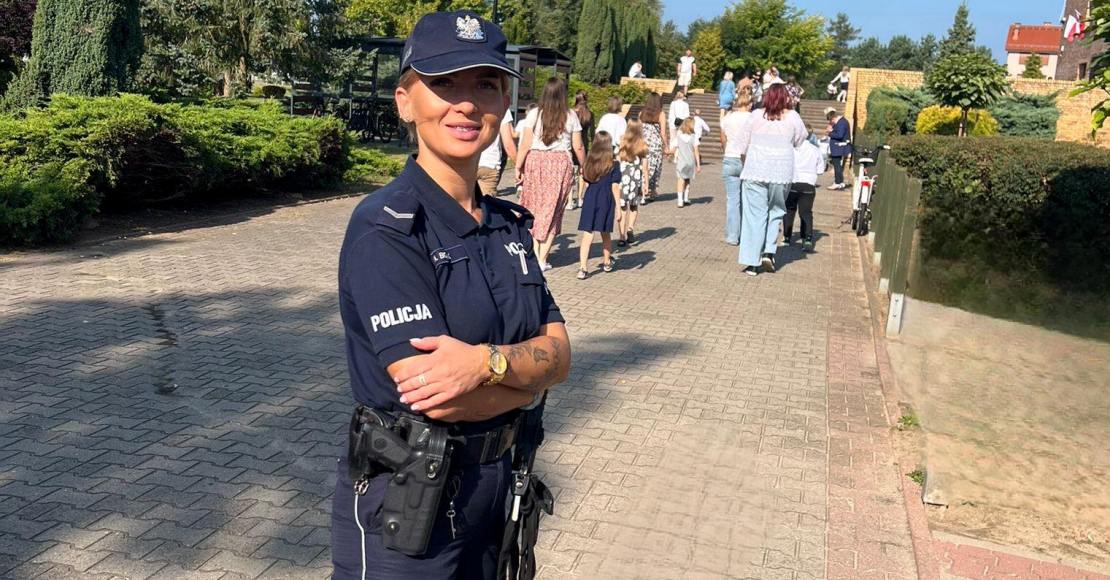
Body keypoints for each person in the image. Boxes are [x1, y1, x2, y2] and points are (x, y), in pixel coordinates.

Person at [332, 11, 572, 580]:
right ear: (405, 101)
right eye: (443, 83)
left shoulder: (507, 225)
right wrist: (530, 383)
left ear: (505, 101)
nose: (465, 104)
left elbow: (562, 352)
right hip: (411, 501)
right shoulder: (386, 229)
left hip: (497, 491)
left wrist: (487, 364)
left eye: (485, 85)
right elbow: (434, 398)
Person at [732, 83, 807, 276]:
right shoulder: (793, 117)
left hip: (755, 170)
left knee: (754, 216)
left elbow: (741, 145)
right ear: (786, 98)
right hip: (781, 172)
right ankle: (768, 252)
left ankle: (751, 262)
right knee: (776, 212)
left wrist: (746, 162)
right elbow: (800, 140)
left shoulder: (756, 115)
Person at [517, 77, 586, 269]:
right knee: (553, 210)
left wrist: (518, 166)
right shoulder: (571, 115)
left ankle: (534, 254)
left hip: (535, 161)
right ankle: (542, 258)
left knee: (533, 208)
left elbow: (525, 144)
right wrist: (584, 166)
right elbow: (578, 146)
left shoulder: (534, 114)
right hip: (560, 163)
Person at [575, 132, 621, 279]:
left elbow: (585, 179)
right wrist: (619, 208)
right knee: (605, 232)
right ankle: (607, 262)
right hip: (605, 199)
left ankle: (583, 268)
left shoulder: (589, 161)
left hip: (591, 197)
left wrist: (581, 195)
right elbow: (615, 187)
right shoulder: (613, 164)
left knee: (587, 234)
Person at [720, 87, 753, 246]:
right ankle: (747, 234)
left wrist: (727, 151)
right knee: (748, 200)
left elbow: (723, 139)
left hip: (730, 157)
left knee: (732, 200)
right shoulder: (752, 118)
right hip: (748, 160)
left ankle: (732, 236)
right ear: (749, 103)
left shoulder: (728, 118)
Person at [784, 129, 825, 252]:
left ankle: (787, 237)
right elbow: (820, 170)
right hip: (808, 185)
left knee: (789, 210)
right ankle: (807, 238)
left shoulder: (791, 149)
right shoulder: (815, 150)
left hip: (793, 183)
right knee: (806, 212)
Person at [616, 120, 649, 246]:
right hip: (636, 179)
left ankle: (621, 236)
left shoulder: (622, 141)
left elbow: (617, 160)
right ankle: (630, 228)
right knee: (634, 206)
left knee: (623, 207)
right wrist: (646, 184)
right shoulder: (642, 145)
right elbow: (645, 167)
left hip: (623, 178)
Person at [477, 109, 517, 196]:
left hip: (467, 162)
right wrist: (519, 167)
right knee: (487, 202)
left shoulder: (465, 103)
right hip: (490, 163)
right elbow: (508, 145)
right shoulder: (502, 108)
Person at [639, 92, 668, 204]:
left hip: (643, 143)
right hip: (655, 145)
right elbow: (663, 133)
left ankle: (642, 192)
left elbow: (638, 129)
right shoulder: (661, 114)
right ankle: (651, 191)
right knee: (655, 168)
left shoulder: (641, 113)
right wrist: (666, 146)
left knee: (644, 168)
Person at [570, 90, 594, 210]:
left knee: (571, 172)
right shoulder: (590, 114)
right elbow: (592, 133)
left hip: (572, 143)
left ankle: (570, 199)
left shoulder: (571, 112)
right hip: (584, 144)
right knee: (581, 171)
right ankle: (580, 198)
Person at [673, 117, 701, 208]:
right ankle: (686, 198)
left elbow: (674, 147)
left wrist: (669, 153)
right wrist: (698, 165)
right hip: (690, 161)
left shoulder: (679, 136)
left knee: (680, 180)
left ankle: (680, 200)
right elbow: (696, 151)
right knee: (687, 179)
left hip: (681, 161)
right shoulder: (693, 137)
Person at [826, 108, 851, 190]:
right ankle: (840, 182)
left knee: (837, 165)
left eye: (831, 120)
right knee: (838, 166)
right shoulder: (841, 122)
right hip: (838, 147)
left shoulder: (841, 123)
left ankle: (837, 182)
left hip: (838, 147)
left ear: (833, 118)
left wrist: (830, 133)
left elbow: (839, 135)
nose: (831, 122)